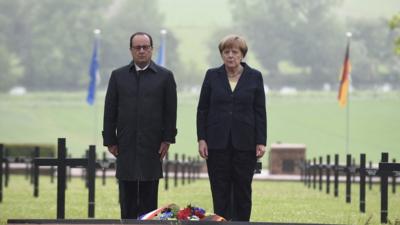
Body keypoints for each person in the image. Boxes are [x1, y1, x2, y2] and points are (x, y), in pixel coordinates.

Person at [103, 32, 177, 219]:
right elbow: (110, 110)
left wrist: (167, 139)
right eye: (138, 47)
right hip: (125, 144)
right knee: (127, 197)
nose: (142, 51)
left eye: (146, 47)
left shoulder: (165, 77)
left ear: (152, 49)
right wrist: (110, 140)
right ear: (131, 50)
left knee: (148, 197)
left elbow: (170, 112)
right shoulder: (118, 76)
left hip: (153, 145)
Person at [196, 34, 267, 221]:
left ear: (242, 54)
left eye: (234, 52)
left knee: (243, 190)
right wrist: (201, 138)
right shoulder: (212, 75)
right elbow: (202, 109)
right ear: (221, 55)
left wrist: (261, 141)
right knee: (220, 189)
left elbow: (260, 111)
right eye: (226, 52)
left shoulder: (255, 77)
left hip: (245, 143)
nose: (230, 56)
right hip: (216, 143)